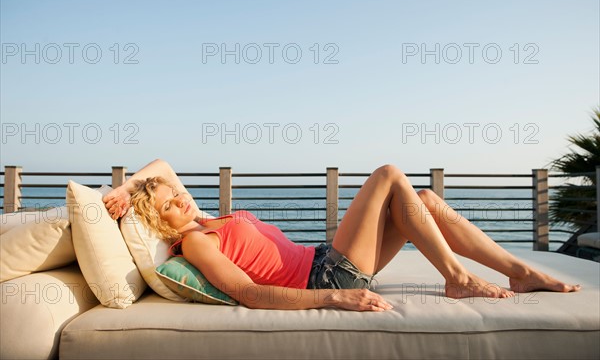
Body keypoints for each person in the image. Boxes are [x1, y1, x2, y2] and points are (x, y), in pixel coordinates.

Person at [102, 159, 580, 312]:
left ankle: (518, 272)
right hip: (325, 277)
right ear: (161, 222)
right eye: (168, 204)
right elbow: (247, 293)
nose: (180, 199)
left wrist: (128, 185)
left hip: (324, 258)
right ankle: (459, 278)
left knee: (426, 202)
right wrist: (336, 300)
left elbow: (161, 166)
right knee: (390, 175)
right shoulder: (198, 241)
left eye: (177, 194)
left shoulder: (201, 217)